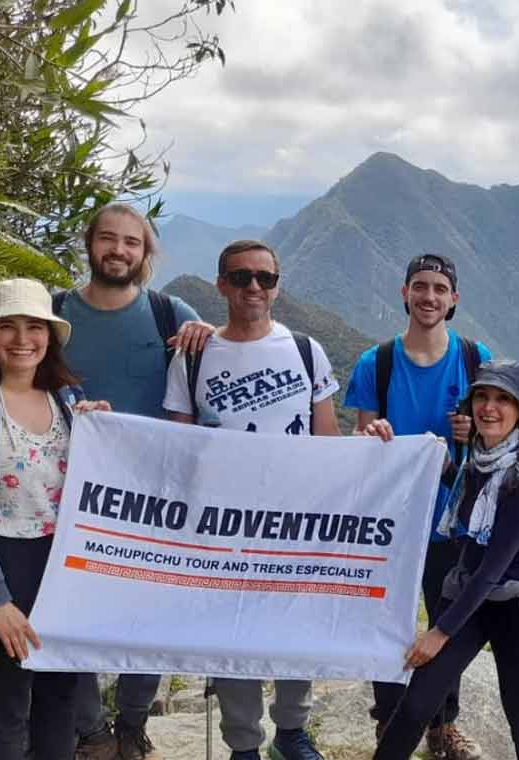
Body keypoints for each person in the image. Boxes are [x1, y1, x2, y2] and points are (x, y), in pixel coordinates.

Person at [162, 239, 341, 760]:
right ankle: (244, 744)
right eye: (241, 278)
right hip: (222, 525)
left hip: (295, 518)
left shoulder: (306, 350)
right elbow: (180, 444)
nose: (254, 287)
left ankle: (291, 730)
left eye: (265, 278)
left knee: (296, 625)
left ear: (278, 286)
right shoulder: (193, 357)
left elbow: (325, 438)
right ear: (221, 285)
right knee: (230, 630)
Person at [61, 202, 213, 760]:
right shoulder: (58, 317)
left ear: (145, 253)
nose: (119, 251)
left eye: (131, 242)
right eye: (108, 239)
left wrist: (207, 330)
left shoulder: (169, 312)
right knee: (70, 608)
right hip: (73, 493)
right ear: (89, 243)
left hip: (155, 494)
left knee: (148, 612)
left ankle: (132, 722)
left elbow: (228, 363)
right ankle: (89, 730)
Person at [0, 278, 111, 760]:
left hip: (59, 567)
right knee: (6, 703)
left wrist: (101, 431)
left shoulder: (67, 401)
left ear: (50, 336)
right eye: (7, 327)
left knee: (61, 698)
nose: (22, 339)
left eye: (34, 326)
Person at [369, 360, 519, 760]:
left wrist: (439, 632)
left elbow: (493, 566)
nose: (489, 408)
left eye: (503, 400)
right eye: (483, 397)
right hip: (474, 594)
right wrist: (417, 452)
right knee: (417, 703)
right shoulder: (482, 460)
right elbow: (468, 494)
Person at [345, 253, 488, 760]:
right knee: (389, 624)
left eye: (439, 288)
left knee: (446, 621)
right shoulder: (376, 363)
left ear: (454, 299)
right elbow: (360, 440)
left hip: (455, 520)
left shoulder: (474, 358)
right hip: (392, 523)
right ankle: (388, 722)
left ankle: (441, 724)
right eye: (420, 286)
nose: (429, 297)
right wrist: (374, 432)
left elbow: (499, 435)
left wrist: (477, 432)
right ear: (405, 293)